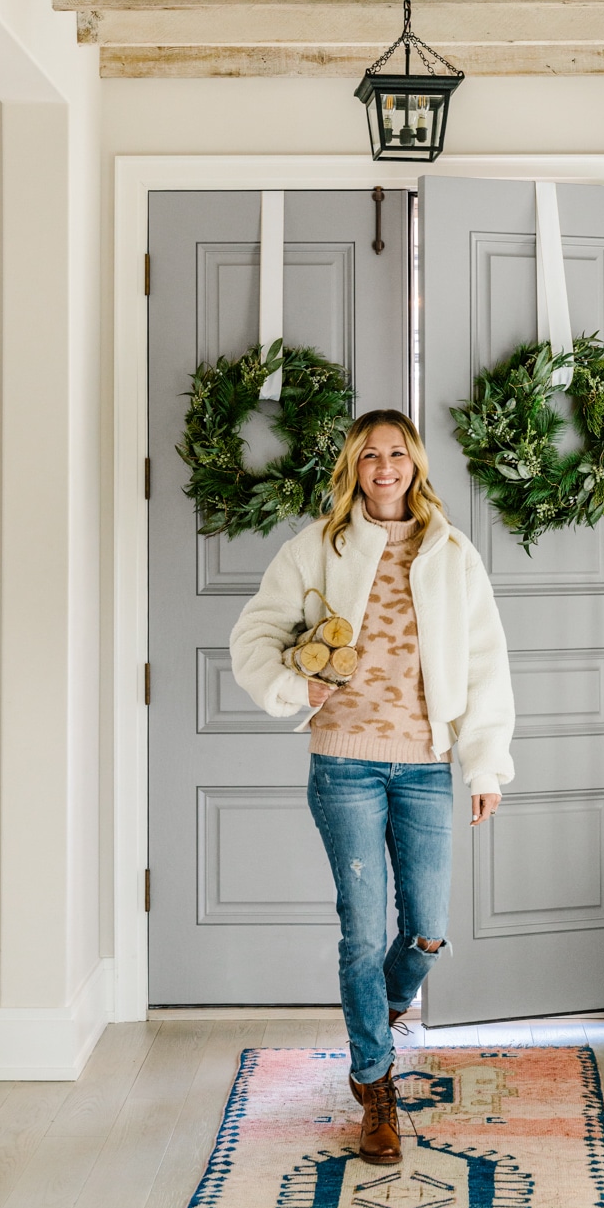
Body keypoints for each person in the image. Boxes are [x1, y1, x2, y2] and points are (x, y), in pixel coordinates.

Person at [229, 410, 515, 1165]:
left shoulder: (452, 554)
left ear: (415, 464)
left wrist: (484, 765)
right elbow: (254, 636)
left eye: (396, 453)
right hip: (345, 763)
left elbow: (486, 665)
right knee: (359, 930)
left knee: (427, 927)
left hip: (425, 765)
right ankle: (374, 1085)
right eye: (369, 455)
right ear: (353, 467)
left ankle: (378, 1011)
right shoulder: (316, 549)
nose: (384, 466)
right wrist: (299, 689)